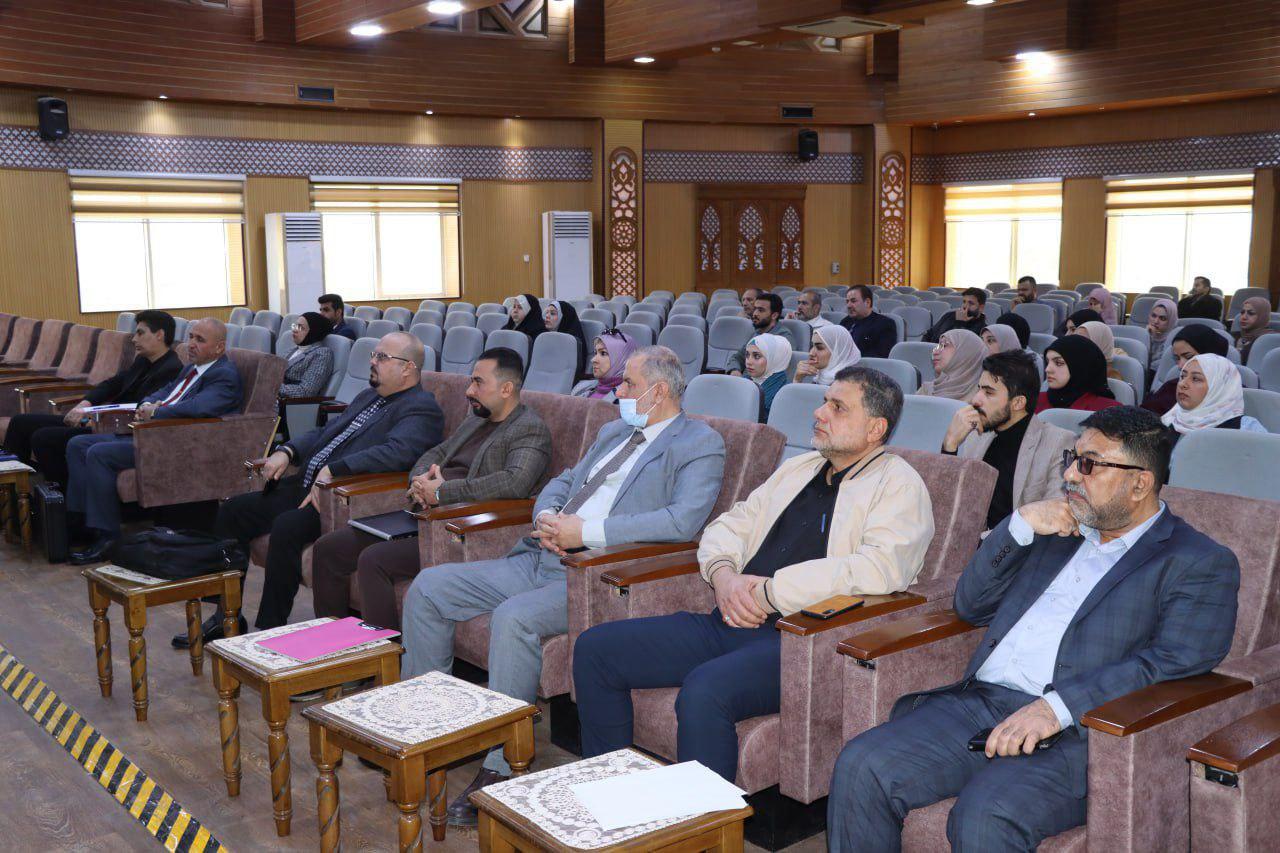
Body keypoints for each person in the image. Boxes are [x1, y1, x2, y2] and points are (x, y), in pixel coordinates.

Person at [827, 406, 1240, 852]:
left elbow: (1176, 660)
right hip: (982, 703)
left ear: (1140, 483)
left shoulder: (1196, 561)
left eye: (1089, 465)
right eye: (1072, 459)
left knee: (985, 814)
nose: (1070, 476)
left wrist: (1057, 708)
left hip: (1079, 732)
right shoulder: (1056, 529)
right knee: (861, 764)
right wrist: (1020, 524)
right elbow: (970, 605)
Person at [400, 345, 726, 826]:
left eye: (629, 384)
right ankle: (426, 730)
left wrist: (584, 533)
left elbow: (682, 521)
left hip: (592, 575)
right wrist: (548, 517)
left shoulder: (699, 443)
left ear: (658, 392)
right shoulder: (615, 431)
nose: (619, 391)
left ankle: (501, 766)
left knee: (514, 619)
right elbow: (563, 480)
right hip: (539, 554)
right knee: (429, 587)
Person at [574, 366, 933, 784]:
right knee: (596, 649)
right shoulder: (800, 468)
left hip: (800, 641)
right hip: (730, 618)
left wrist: (770, 593)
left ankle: (705, 822)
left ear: (875, 428)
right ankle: (608, 790)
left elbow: (879, 569)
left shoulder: (899, 485)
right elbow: (731, 525)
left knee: (704, 690)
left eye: (837, 407)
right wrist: (723, 576)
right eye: (824, 402)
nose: (819, 413)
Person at [198, 332, 444, 641]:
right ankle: (225, 615)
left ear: (408, 368)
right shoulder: (369, 396)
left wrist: (336, 469)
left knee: (286, 526)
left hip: (339, 499)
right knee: (233, 510)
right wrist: (287, 451)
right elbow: (326, 432)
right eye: (373, 354)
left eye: (382, 357)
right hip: (306, 485)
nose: (372, 361)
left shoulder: (421, 408)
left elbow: (397, 452)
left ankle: (269, 628)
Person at [310, 348, 550, 631]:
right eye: (471, 381)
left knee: (374, 560)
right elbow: (436, 452)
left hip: (459, 529)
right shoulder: (476, 419)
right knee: (329, 549)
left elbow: (514, 482)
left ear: (506, 389)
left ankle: (385, 653)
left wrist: (441, 493)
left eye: (478, 382)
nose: (469, 391)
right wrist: (420, 480)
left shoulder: (529, 428)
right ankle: (333, 645)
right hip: (423, 515)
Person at [67, 319, 243, 564]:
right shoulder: (191, 369)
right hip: (152, 433)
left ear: (219, 347)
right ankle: (82, 523)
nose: (191, 344)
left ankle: (107, 538)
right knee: (77, 445)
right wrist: (148, 404)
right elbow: (164, 392)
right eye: (191, 337)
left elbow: (198, 407)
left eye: (200, 340)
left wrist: (156, 412)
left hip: (173, 443)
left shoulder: (224, 375)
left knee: (99, 453)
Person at [4, 310, 182, 489]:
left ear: (159, 335)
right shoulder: (143, 360)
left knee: (44, 438)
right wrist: (85, 404)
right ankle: (12, 491)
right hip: (104, 419)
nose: (134, 339)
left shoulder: (171, 369)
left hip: (120, 429)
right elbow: (112, 384)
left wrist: (97, 417)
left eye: (140, 333)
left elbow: (141, 409)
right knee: (20, 422)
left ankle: (62, 496)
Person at [942, 351, 1076, 531]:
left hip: (1017, 543)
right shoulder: (976, 435)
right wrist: (949, 445)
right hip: (968, 538)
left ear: (1018, 403)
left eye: (988, 393)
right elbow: (947, 505)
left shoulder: (1058, 443)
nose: (975, 400)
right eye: (979, 389)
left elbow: (1056, 517)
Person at [1161, 353, 1265, 446]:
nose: (1182, 384)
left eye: (1195, 379)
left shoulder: (1246, 428)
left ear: (1218, 387)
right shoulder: (1170, 420)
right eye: (1183, 376)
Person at [1141, 324, 1231, 415]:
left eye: (1189, 357)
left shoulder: (1233, 394)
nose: (1180, 366)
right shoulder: (1171, 388)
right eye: (1177, 358)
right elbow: (1142, 417)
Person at [1036, 335, 1120, 413]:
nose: (1047, 369)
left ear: (1080, 367)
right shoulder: (1034, 401)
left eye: (1059, 363)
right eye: (1047, 362)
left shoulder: (1110, 411)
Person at [727, 292, 799, 375]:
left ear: (774, 315)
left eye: (760, 310)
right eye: (755, 309)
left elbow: (777, 371)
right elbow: (737, 358)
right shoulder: (757, 333)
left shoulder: (783, 338)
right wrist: (735, 370)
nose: (755, 314)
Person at [279, 312, 334, 400]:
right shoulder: (293, 350)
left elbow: (305, 392)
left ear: (313, 332)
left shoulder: (322, 353)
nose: (295, 330)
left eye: (301, 328)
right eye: (295, 326)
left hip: (292, 404)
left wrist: (274, 387)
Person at [571, 330, 637, 403]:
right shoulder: (581, 387)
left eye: (603, 353)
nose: (593, 360)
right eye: (595, 353)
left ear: (622, 359)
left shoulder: (629, 400)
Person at [920, 329, 985, 402]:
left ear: (965, 352)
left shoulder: (984, 396)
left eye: (945, 345)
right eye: (938, 346)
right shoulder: (926, 390)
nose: (935, 352)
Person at [744, 333, 791, 423]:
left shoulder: (784, 391)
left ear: (774, 358)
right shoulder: (746, 380)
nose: (749, 362)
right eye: (747, 355)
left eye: (757, 356)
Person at [841, 285, 898, 359]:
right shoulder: (845, 321)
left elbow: (881, 356)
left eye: (853, 301)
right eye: (847, 301)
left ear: (867, 302)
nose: (848, 305)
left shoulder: (885, 324)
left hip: (866, 365)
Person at [795, 324, 860, 386]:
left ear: (838, 351)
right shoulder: (819, 377)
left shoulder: (849, 383)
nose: (811, 353)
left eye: (819, 348)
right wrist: (797, 379)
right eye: (812, 346)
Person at [923, 288, 987, 344]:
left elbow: (956, 345)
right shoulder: (949, 316)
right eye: (964, 302)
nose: (965, 306)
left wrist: (960, 323)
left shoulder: (983, 330)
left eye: (971, 303)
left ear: (981, 308)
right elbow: (929, 334)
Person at [544, 300, 589, 377]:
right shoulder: (543, 337)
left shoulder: (572, 342)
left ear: (564, 318)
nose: (547, 316)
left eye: (552, 313)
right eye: (546, 312)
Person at [1234, 295, 1275, 364]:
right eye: (1242, 312)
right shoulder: (1236, 336)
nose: (1244, 317)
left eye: (1251, 313)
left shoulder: (1269, 340)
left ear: (1263, 316)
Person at [1146, 298, 1178, 373]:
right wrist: (1148, 337)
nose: (1156, 321)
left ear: (1171, 320)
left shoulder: (1174, 340)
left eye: (1162, 318)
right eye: (1153, 316)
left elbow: (1161, 366)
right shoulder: (1144, 333)